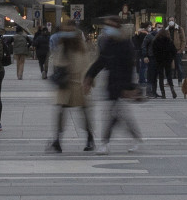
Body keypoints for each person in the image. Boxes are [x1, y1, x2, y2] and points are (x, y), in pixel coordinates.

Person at [86, 16, 142, 152]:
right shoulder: (109, 42)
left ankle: (105, 143)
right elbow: (101, 61)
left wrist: (129, 87)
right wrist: (89, 76)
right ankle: (135, 137)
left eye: (110, 25)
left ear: (117, 26)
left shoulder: (126, 43)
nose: (107, 28)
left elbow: (130, 67)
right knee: (118, 114)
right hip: (112, 82)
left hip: (122, 83)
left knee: (113, 114)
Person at [46, 24, 95, 153]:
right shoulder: (61, 48)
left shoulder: (81, 48)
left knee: (84, 114)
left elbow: (87, 65)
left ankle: (90, 137)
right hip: (65, 86)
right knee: (61, 113)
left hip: (78, 85)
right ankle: (57, 140)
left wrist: (88, 82)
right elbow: (55, 62)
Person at [150, 26, 178, 98]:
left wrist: (157, 58)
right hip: (168, 61)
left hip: (159, 61)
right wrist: (171, 58)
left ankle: (163, 93)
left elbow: (154, 52)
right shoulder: (169, 41)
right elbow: (174, 51)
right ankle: (172, 90)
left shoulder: (155, 41)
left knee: (161, 77)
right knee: (169, 76)